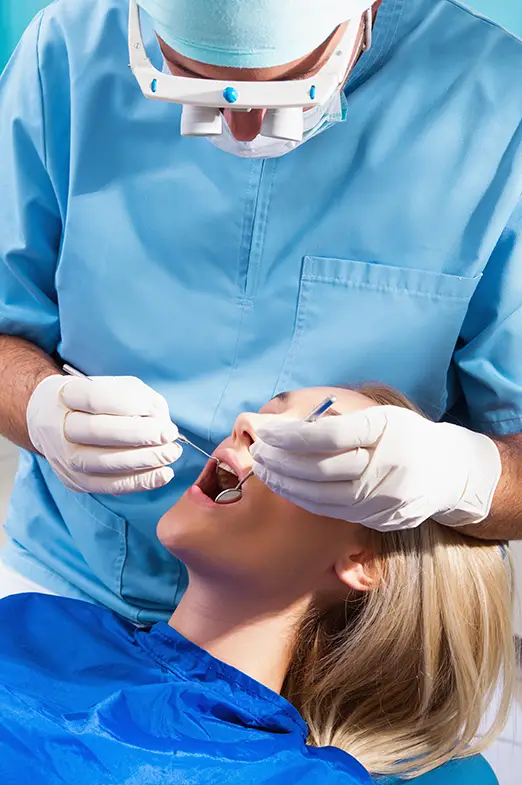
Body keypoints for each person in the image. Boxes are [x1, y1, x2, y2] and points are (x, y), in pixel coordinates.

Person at [1, 0, 522, 621]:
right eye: (190, 82)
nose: (242, 131)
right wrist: (39, 408)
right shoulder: (65, 52)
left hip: (338, 646)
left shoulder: (495, 108)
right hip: (73, 584)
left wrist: (462, 476)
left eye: (289, 89)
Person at [0, 386, 514, 785]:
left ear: (364, 561)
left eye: (314, 432)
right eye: (268, 411)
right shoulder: (37, 624)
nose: (246, 421)